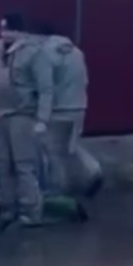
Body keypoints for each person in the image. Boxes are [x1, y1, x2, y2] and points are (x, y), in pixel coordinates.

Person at [0, 13, 54, 226]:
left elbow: (45, 89)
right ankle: (8, 207)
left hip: (22, 115)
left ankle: (31, 211)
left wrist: (42, 119)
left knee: (23, 164)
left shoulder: (35, 53)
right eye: (2, 29)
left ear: (20, 30)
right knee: (0, 163)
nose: (4, 34)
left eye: (8, 29)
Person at [35, 22, 104, 198]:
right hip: (79, 107)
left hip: (59, 109)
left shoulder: (44, 53)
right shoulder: (77, 52)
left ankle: (61, 187)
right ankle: (93, 170)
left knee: (54, 150)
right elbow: (85, 80)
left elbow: (46, 84)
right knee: (70, 147)